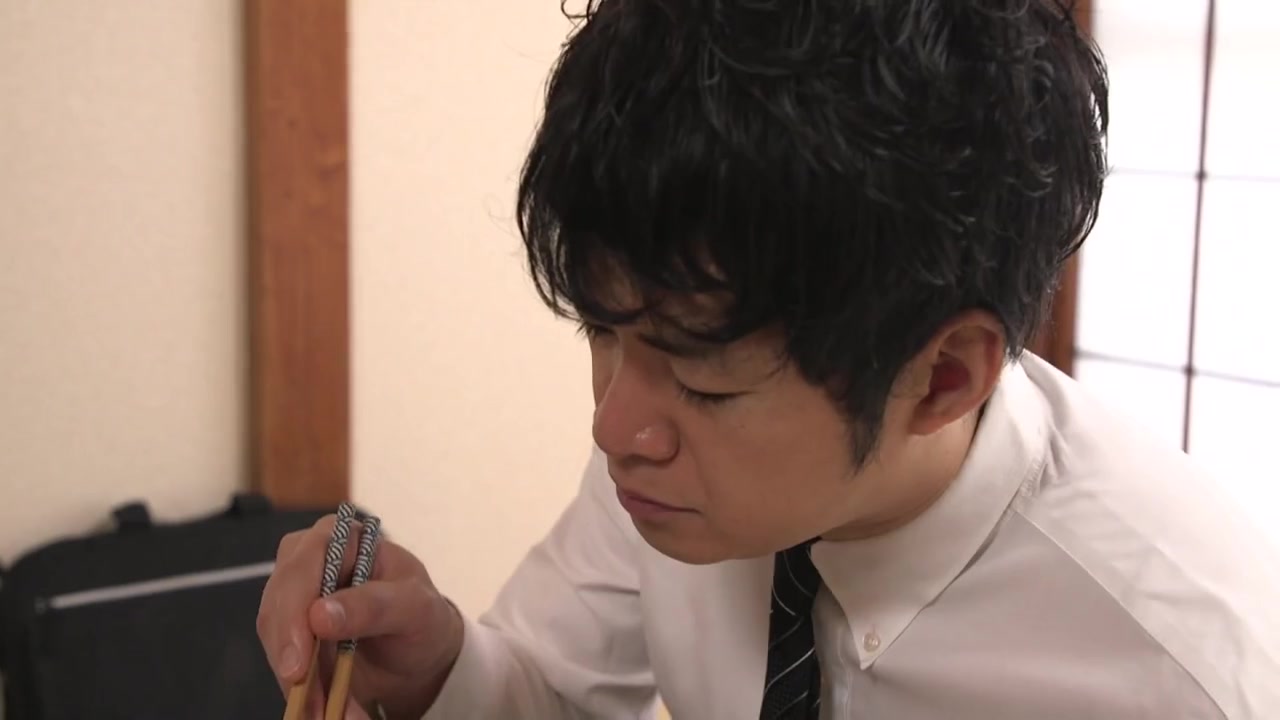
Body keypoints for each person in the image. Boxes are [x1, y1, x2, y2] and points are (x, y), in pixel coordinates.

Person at [257, 0, 1280, 718]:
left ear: (944, 378)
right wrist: (436, 665)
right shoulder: (668, 460)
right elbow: (558, 688)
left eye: (704, 381)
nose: (614, 428)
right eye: (602, 332)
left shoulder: (1184, 677)